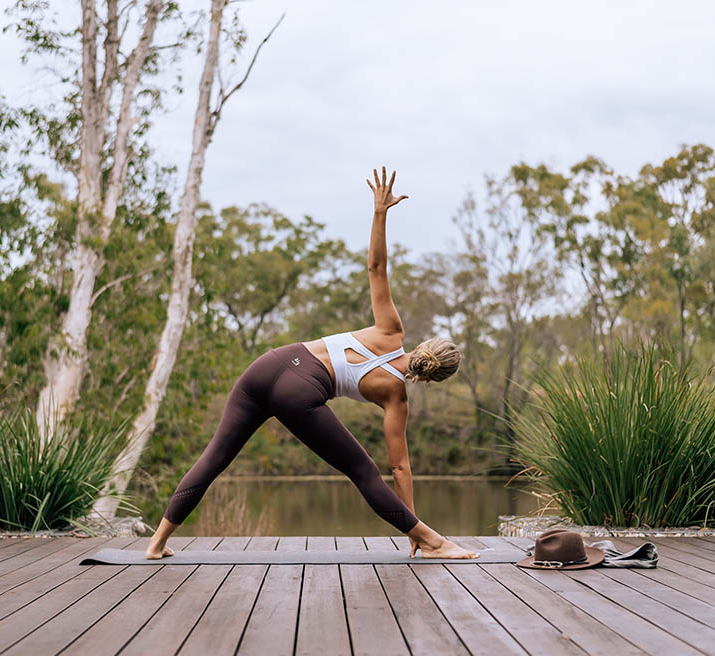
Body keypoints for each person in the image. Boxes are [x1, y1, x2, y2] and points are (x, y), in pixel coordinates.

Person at [146, 167, 479, 560]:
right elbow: (399, 469)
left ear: (427, 344)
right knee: (362, 471)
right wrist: (412, 527)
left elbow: (376, 269)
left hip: (268, 364)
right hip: (300, 392)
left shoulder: (391, 330)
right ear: (435, 379)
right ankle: (433, 541)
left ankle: (157, 543)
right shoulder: (395, 396)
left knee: (214, 458)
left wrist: (379, 213)